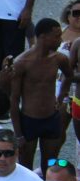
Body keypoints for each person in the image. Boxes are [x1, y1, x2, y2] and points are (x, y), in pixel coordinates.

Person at [11, 19, 71, 173]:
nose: (60, 40)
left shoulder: (59, 59)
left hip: (51, 118)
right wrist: (18, 134)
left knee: (50, 167)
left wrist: (61, 96)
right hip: (29, 121)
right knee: (25, 169)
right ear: (43, 37)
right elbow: (14, 99)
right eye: (56, 36)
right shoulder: (22, 62)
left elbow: (69, 76)